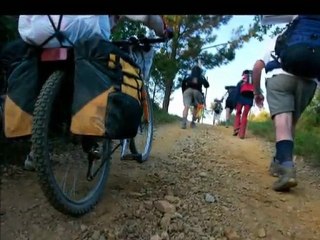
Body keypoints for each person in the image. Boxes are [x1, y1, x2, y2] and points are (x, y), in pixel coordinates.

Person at [1, 15, 172, 171]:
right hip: (81, 32)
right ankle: (91, 134)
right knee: (103, 72)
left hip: (38, 34)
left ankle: (35, 149)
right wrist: (163, 30)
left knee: (40, 72)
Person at [252, 36, 318, 192]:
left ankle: (287, 168)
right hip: (309, 83)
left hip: (280, 76)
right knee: (290, 125)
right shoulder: (314, 35)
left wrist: (256, 92)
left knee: (283, 121)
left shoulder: (281, 36)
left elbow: (257, 66)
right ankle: (278, 161)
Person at [233, 70, 254, 139]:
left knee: (238, 113)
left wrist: (235, 103)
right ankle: (242, 134)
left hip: (240, 100)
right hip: (249, 100)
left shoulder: (240, 82)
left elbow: (236, 93)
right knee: (245, 116)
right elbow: (256, 91)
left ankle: (236, 128)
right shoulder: (253, 82)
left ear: (244, 74)